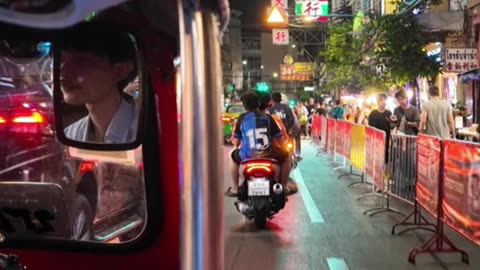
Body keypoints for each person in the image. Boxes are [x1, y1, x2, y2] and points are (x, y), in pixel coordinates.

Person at [61, 31, 138, 143]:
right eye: (61, 61)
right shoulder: (70, 134)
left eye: (81, 61)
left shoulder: (147, 131)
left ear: (120, 71)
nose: (63, 73)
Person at [226, 92, 292, 197]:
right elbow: (280, 139)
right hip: (268, 154)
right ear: (258, 103)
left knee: (232, 155)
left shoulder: (241, 118)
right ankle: (283, 186)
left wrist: (236, 147)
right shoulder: (268, 118)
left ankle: (234, 188)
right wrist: (284, 149)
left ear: (244, 106)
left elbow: (236, 142)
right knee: (287, 157)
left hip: (247, 155)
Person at [367, 93, 394, 163]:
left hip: (386, 139)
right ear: (377, 102)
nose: (383, 102)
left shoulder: (389, 113)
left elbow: (392, 126)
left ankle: (385, 171)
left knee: (385, 157)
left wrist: (393, 122)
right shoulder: (373, 113)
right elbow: (370, 127)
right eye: (381, 100)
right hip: (376, 139)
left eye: (385, 100)